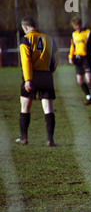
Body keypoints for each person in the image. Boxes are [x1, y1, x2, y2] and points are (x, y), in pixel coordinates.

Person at [16, 16, 58, 147]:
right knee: (48, 108)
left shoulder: (26, 39)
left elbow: (26, 61)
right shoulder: (49, 39)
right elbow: (55, 59)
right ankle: (50, 139)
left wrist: (28, 80)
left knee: (25, 106)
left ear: (25, 28)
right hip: (46, 75)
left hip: (32, 76)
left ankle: (24, 138)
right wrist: (50, 72)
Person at [68, 16, 91, 106]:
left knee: (88, 78)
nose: (76, 28)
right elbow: (72, 47)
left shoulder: (89, 33)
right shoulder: (74, 34)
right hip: (78, 59)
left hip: (87, 58)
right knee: (80, 80)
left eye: (77, 26)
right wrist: (70, 57)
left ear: (81, 24)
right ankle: (88, 97)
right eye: (74, 26)